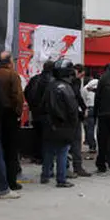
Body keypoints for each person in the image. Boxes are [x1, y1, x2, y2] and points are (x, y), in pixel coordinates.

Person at [40, 59, 80, 187]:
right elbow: (72, 108)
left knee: (49, 150)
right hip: (63, 124)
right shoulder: (67, 88)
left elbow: (42, 105)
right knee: (63, 152)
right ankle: (61, 179)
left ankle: (45, 175)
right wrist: (74, 124)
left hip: (49, 123)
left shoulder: (51, 86)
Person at [0, 51, 25, 190]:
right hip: (10, 115)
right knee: (11, 150)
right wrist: (18, 113)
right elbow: (18, 96)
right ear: (10, 62)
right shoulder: (13, 75)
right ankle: (11, 181)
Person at [25, 61, 55, 164]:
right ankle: (45, 158)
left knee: (37, 134)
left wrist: (32, 106)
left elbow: (26, 92)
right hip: (47, 113)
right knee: (47, 137)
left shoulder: (35, 79)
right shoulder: (53, 80)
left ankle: (37, 156)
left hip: (35, 112)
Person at [67, 64, 91, 177]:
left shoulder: (62, 81)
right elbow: (76, 97)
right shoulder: (73, 82)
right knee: (74, 141)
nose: (82, 77)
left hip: (66, 115)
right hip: (71, 115)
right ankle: (76, 167)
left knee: (68, 143)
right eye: (81, 74)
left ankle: (68, 168)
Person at [81, 73, 98, 154]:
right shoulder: (102, 83)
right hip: (101, 108)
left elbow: (83, 100)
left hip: (90, 108)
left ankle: (92, 146)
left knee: (89, 129)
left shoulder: (85, 88)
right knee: (101, 129)